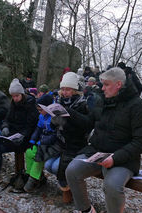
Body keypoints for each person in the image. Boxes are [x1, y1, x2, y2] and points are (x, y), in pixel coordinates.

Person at [65, 67, 142, 213]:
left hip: (123, 158)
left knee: (111, 185)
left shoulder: (138, 106)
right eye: (102, 84)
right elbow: (88, 123)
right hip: (97, 151)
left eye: (106, 84)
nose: (102, 88)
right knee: (72, 171)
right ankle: (86, 210)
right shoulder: (103, 101)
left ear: (118, 84)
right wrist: (68, 113)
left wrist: (115, 158)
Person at [44, 72, 92, 202]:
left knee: (55, 167)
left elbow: (86, 125)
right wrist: (54, 122)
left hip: (76, 144)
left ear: (75, 90)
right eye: (63, 89)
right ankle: (67, 184)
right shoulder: (58, 101)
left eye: (68, 89)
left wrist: (69, 115)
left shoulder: (83, 104)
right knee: (48, 165)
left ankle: (68, 188)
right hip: (61, 143)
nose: (65, 92)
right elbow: (54, 126)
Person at [23, 94, 55, 192]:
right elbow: (38, 128)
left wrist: (42, 141)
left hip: (52, 144)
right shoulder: (42, 116)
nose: (39, 113)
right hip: (42, 141)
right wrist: (33, 139)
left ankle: (33, 180)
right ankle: (32, 175)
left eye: (41, 110)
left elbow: (56, 135)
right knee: (29, 152)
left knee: (39, 156)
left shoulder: (54, 117)